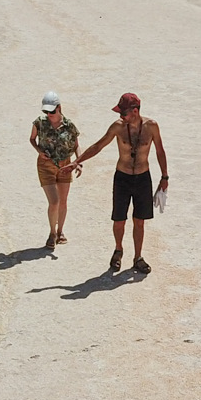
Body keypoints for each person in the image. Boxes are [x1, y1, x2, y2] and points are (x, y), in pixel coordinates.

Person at [76, 92, 168, 275]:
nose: (120, 117)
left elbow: (159, 151)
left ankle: (138, 257)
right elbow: (98, 146)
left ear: (134, 111)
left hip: (143, 178)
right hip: (122, 177)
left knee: (139, 221)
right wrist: (77, 161)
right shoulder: (118, 127)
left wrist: (165, 178)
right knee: (119, 220)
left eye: (123, 113)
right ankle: (118, 250)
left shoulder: (151, 127)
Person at [29, 91, 80, 249]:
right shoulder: (39, 123)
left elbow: (76, 145)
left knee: (63, 201)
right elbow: (32, 139)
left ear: (59, 108)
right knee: (54, 201)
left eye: (52, 111)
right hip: (46, 166)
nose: (49, 114)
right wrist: (39, 151)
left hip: (65, 166)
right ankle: (52, 233)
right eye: (46, 111)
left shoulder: (69, 125)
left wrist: (78, 162)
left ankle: (60, 232)